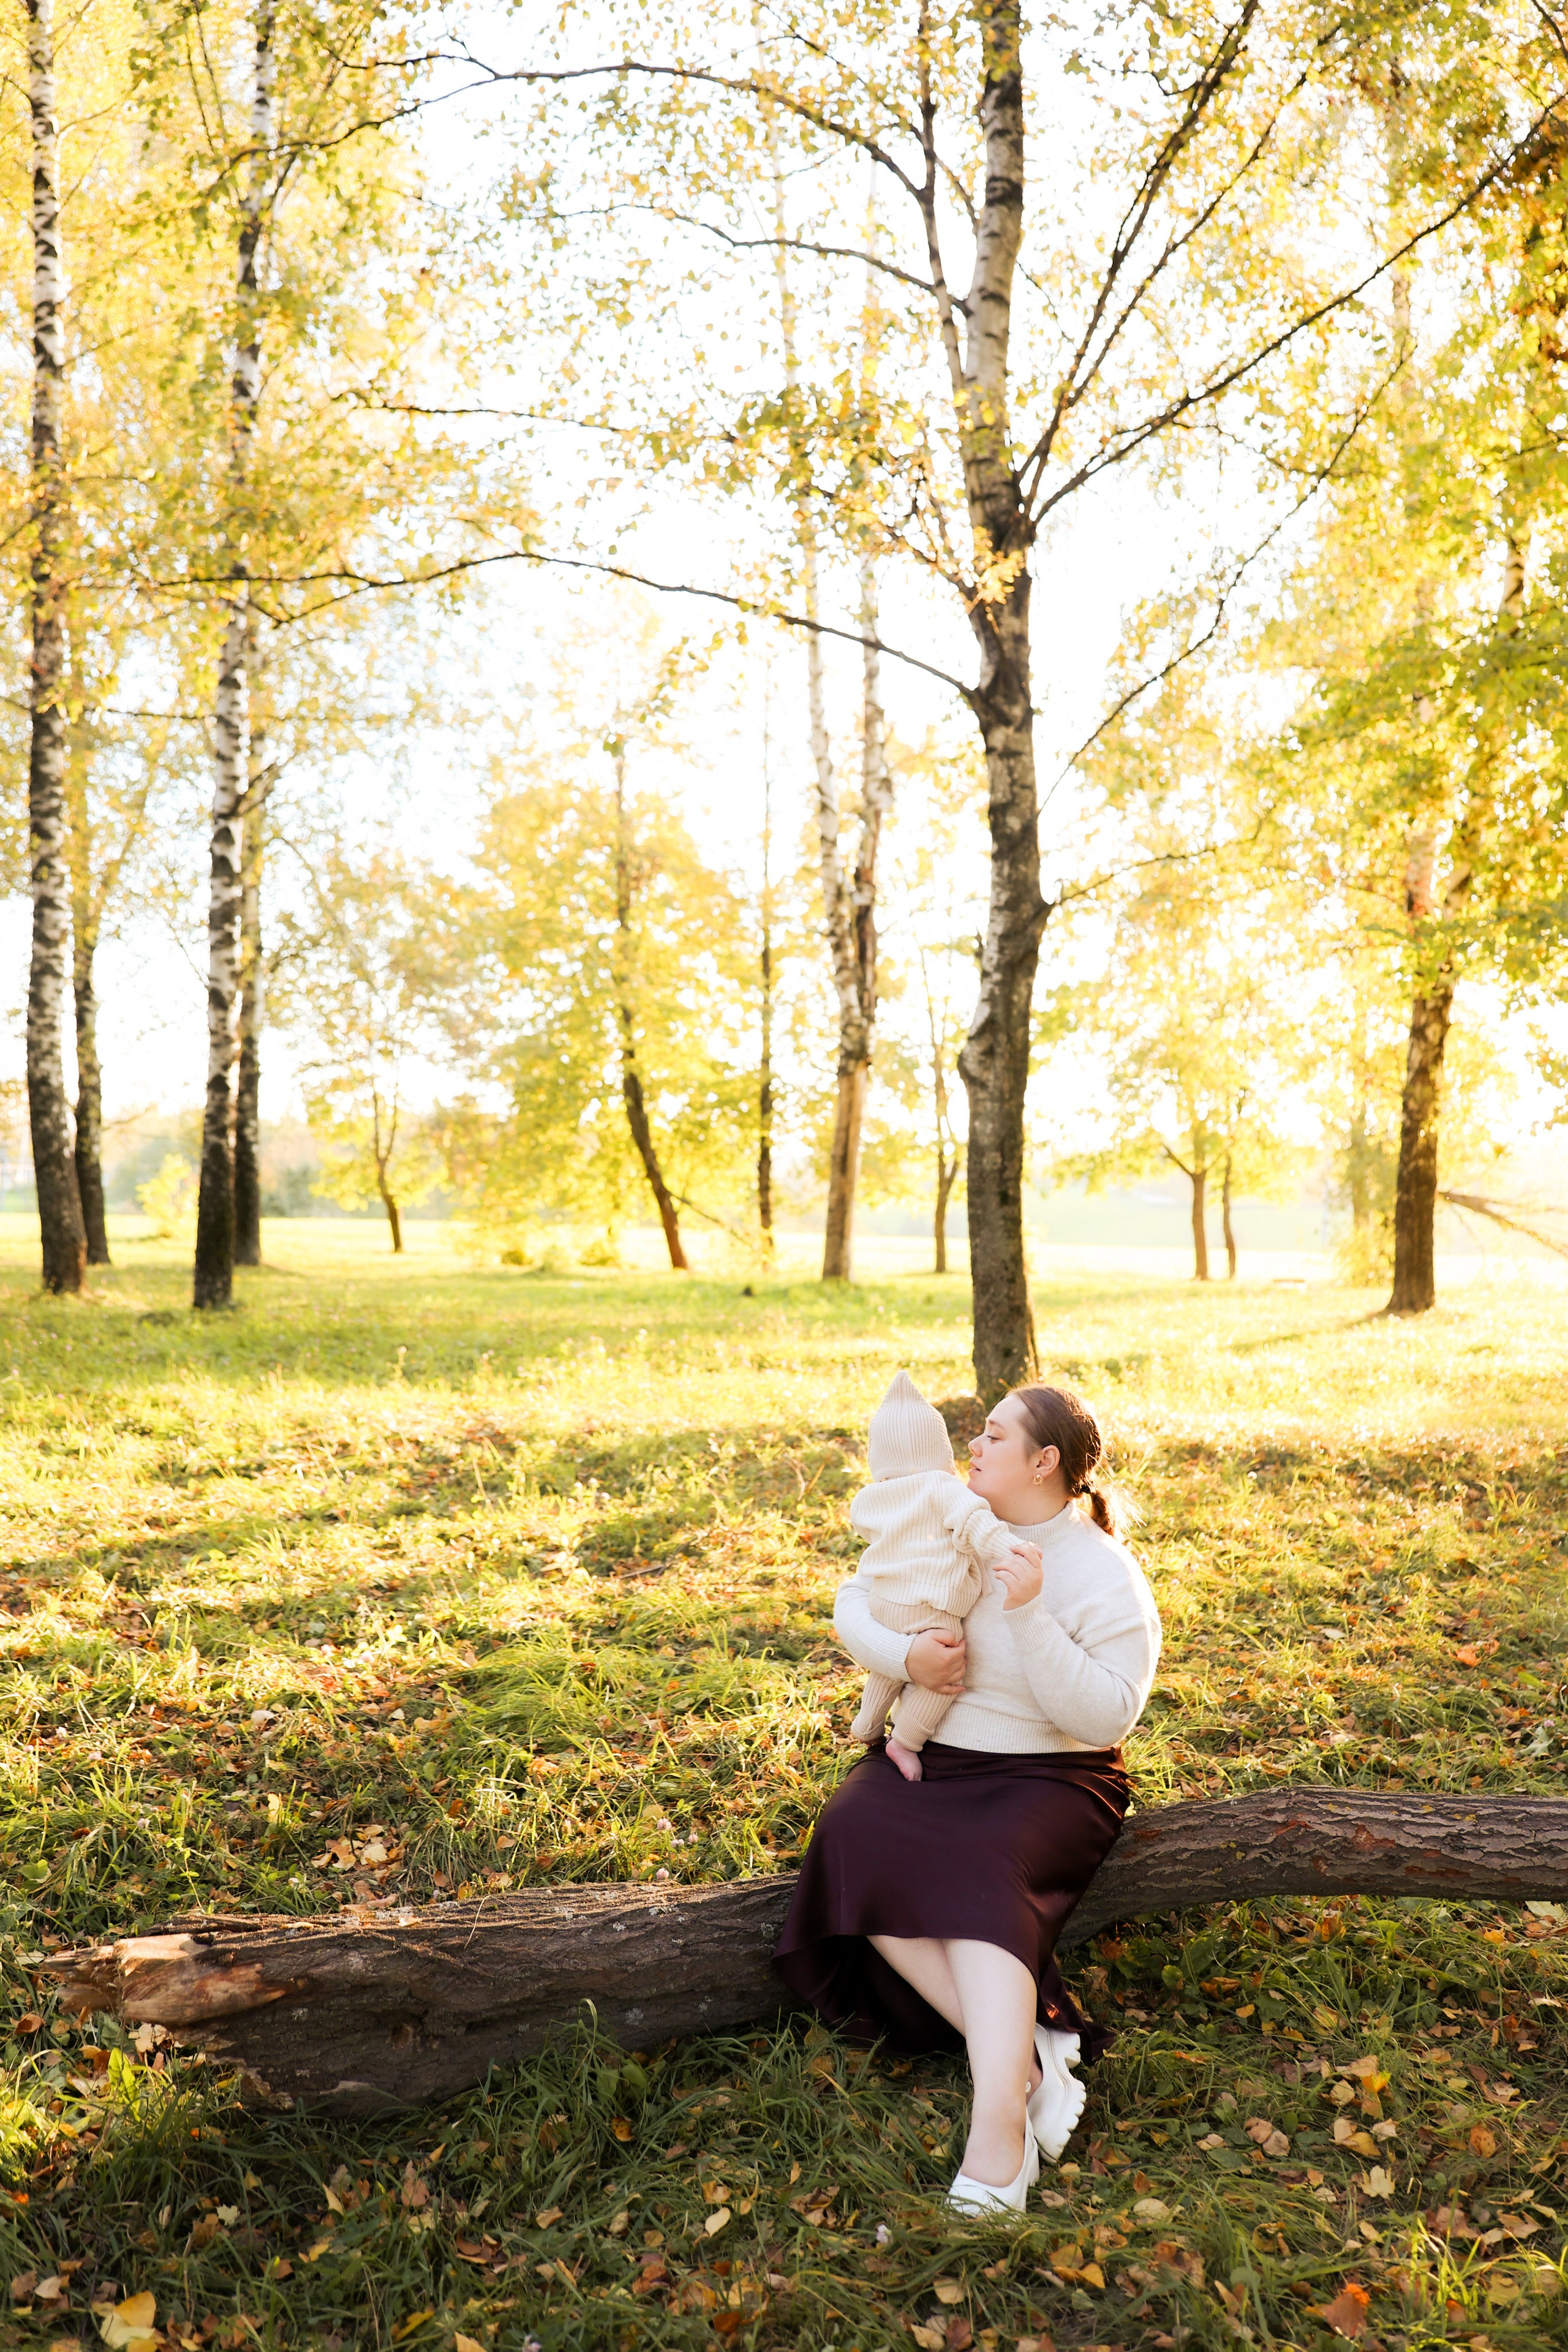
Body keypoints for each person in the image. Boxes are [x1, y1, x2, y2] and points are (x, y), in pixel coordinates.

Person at [772, 1382, 1162, 2215]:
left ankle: (999, 2137)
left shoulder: (1102, 1571)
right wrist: (905, 1660)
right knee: (849, 1835)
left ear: (1044, 1461)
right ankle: (1027, 2063)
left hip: (1052, 1776)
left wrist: (1028, 1615)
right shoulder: (949, 1518)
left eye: (992, 1435)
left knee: (980, 1875)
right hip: (939, 1756)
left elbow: (1106, 1715)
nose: (972, 1447)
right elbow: (856, 1597)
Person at [847, 1370, 1022, 1783]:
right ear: (938, 1451)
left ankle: (866, 1724)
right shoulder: (942, 1488)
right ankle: (905, 1741)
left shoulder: (869, 1498)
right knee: (946, 1671)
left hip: (884, 1601)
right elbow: (975, 1523)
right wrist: (1010, 1549)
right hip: (932, 1607)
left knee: (893, 1664)